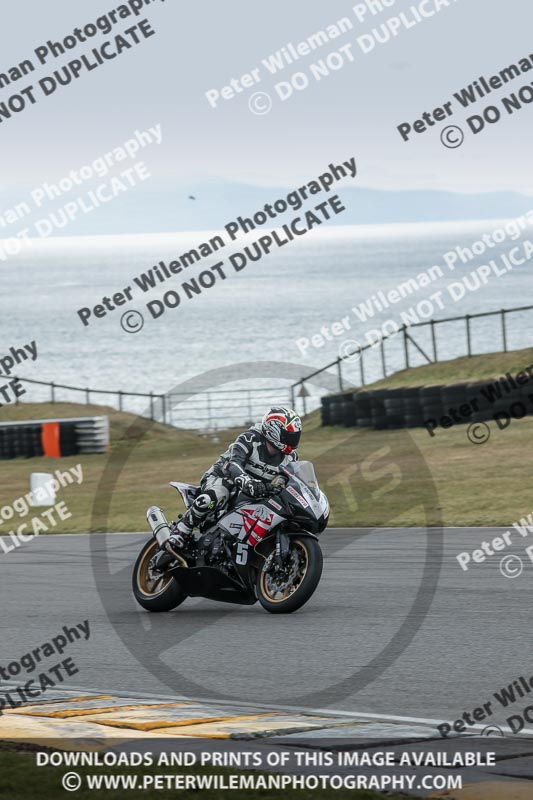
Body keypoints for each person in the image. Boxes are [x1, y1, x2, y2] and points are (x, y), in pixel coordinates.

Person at [168, 406, 302, 548]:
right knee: (215, 496)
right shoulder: (250, 438)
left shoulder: (291, 456)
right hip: (221, 478)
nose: (293, 440)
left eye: (295, 436)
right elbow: (234, 465)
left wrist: (279, 487)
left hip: (255, 491)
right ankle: (182, 528)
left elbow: (288, 479)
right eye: (290, 436)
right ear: (274, 432)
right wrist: (248, 483)